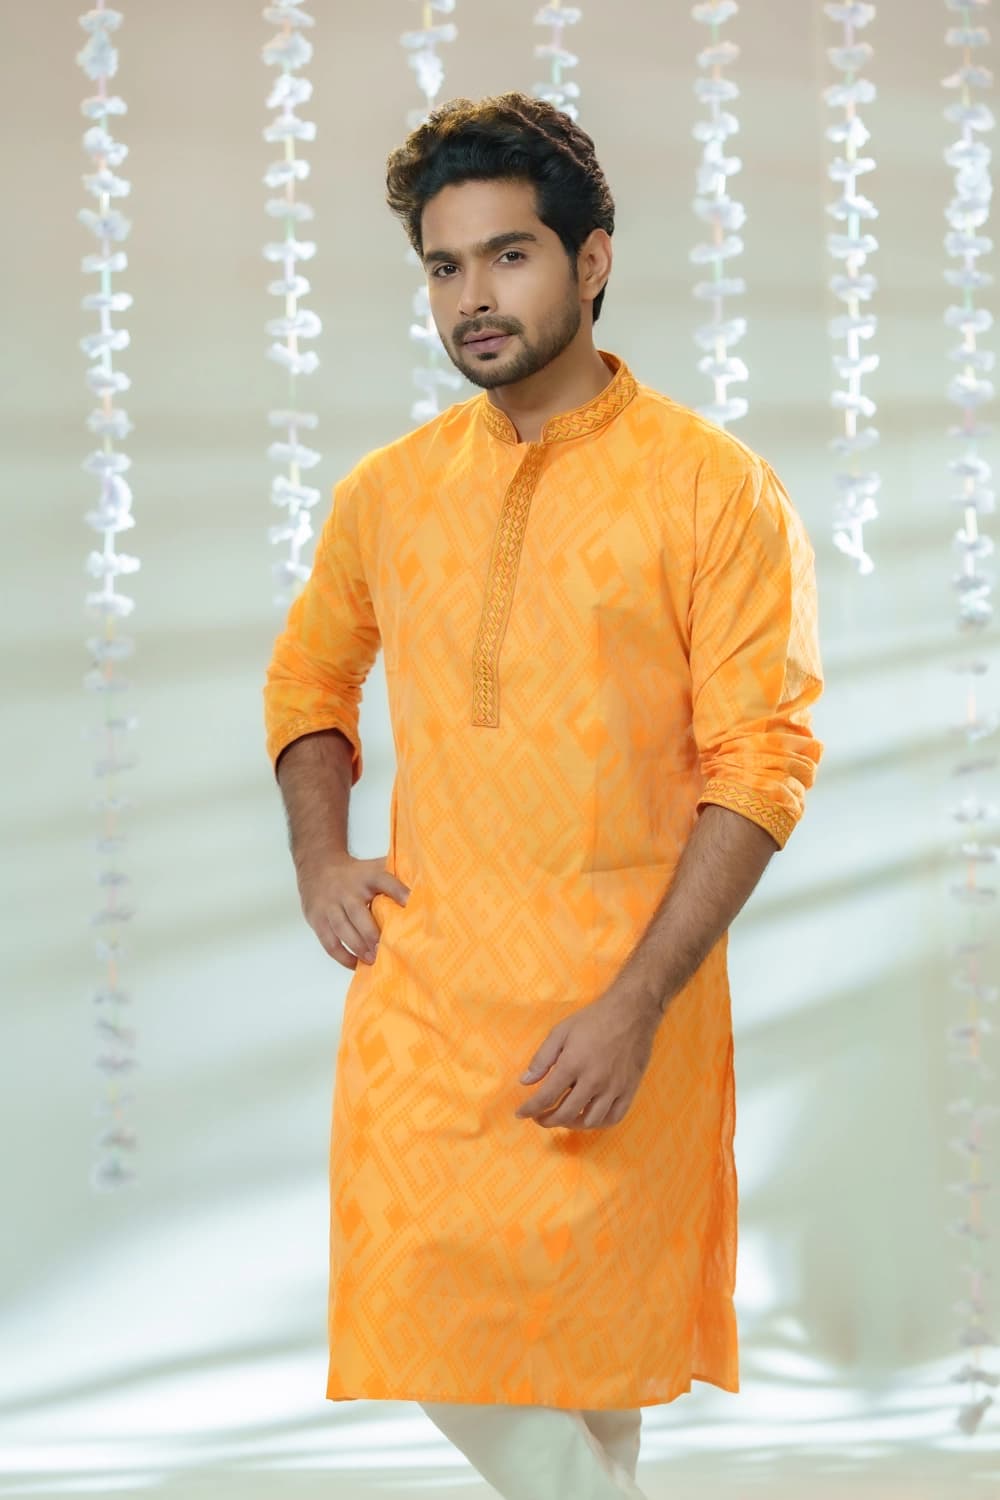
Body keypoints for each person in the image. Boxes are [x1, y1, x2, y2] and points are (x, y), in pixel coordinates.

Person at [262, 90, 825, 1500]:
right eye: (444, 266)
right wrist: (323, 858)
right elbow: (309, 679)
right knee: (421, 1301)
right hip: (430, 989)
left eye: (508, 255)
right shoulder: (390, 492)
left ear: (592, 259)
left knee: (594, 1359)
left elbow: (762, 761)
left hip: (621, 994)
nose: (473, 297)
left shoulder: (712, 489)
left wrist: (636, 1004)